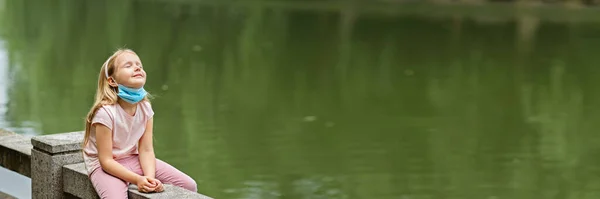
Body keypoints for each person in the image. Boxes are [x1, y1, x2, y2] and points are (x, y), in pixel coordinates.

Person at [81, 48, 197, 198]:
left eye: (139, 65)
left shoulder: (145, 108)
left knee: (188, 185)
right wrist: (137, 179)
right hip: (105, 166)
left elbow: (146, 150)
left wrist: (149, 178)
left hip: (132, 158)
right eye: (128, 66)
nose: (137, 68)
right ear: (112, 81)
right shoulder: (105, 113)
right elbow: (106, 160)